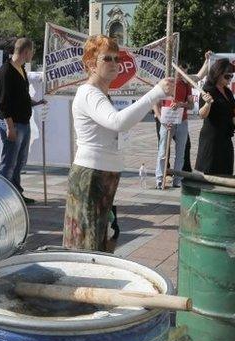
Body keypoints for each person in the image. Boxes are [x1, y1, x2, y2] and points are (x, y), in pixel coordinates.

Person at [63, 35, 173, 252]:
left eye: (117, 58)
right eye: (108, 59)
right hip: (92, 174)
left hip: (103, 173)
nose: (115, 64)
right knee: (87, 247)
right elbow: (118, 122)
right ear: (91, 64)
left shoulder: (101, 94)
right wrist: (156, 93)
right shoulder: (88, 93)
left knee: (102, 242)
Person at [0, 38, 45, 204]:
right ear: (26, 51)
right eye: (32, 52)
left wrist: (35, 103)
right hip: (13, 123)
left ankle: (16, 193)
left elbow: (21, 96)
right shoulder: (6, 71)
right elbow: (3, 102)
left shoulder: (21, 69)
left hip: (23, 122)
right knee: (8, 162)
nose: (32, 55)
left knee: (20, 161)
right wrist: (10, 127)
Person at [195, 58, 235, 175]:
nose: (230, 79)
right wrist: (208, 103)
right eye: (227, 76)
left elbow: (232, 114)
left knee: (226, 171)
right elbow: (202, 115)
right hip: (212, 138)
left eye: (231, 76)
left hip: (225, 137)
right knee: (211, 172)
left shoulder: (228, 92)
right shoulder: (208, 90)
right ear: (218, 74)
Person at [154, 69, 194, 189]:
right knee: (163, 151)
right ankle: (160, 179)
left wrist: (181, 104)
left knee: (180, 152)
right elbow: (155, 103)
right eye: (180, 70)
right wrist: (161, 119)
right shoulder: (164, 83)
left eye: (184, 71)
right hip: (167, 121)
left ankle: (178, 179)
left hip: (182, 121)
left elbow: (191, 105)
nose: (182, 74)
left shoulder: (186, 85)